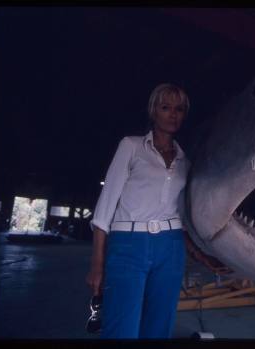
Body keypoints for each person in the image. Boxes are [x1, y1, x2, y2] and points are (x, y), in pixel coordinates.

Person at [85, 83, 191, 339]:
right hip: (127, 245)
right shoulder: (130, 147)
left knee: (159, 327)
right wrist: (97, 264)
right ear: (153, 111)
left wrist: (199, 251)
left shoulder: (185, 161)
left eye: (179, 109)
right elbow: (104, 210)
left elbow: (182, 213)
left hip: (172, 246)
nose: (173, 114)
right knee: (122, 329)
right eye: (166, 108)